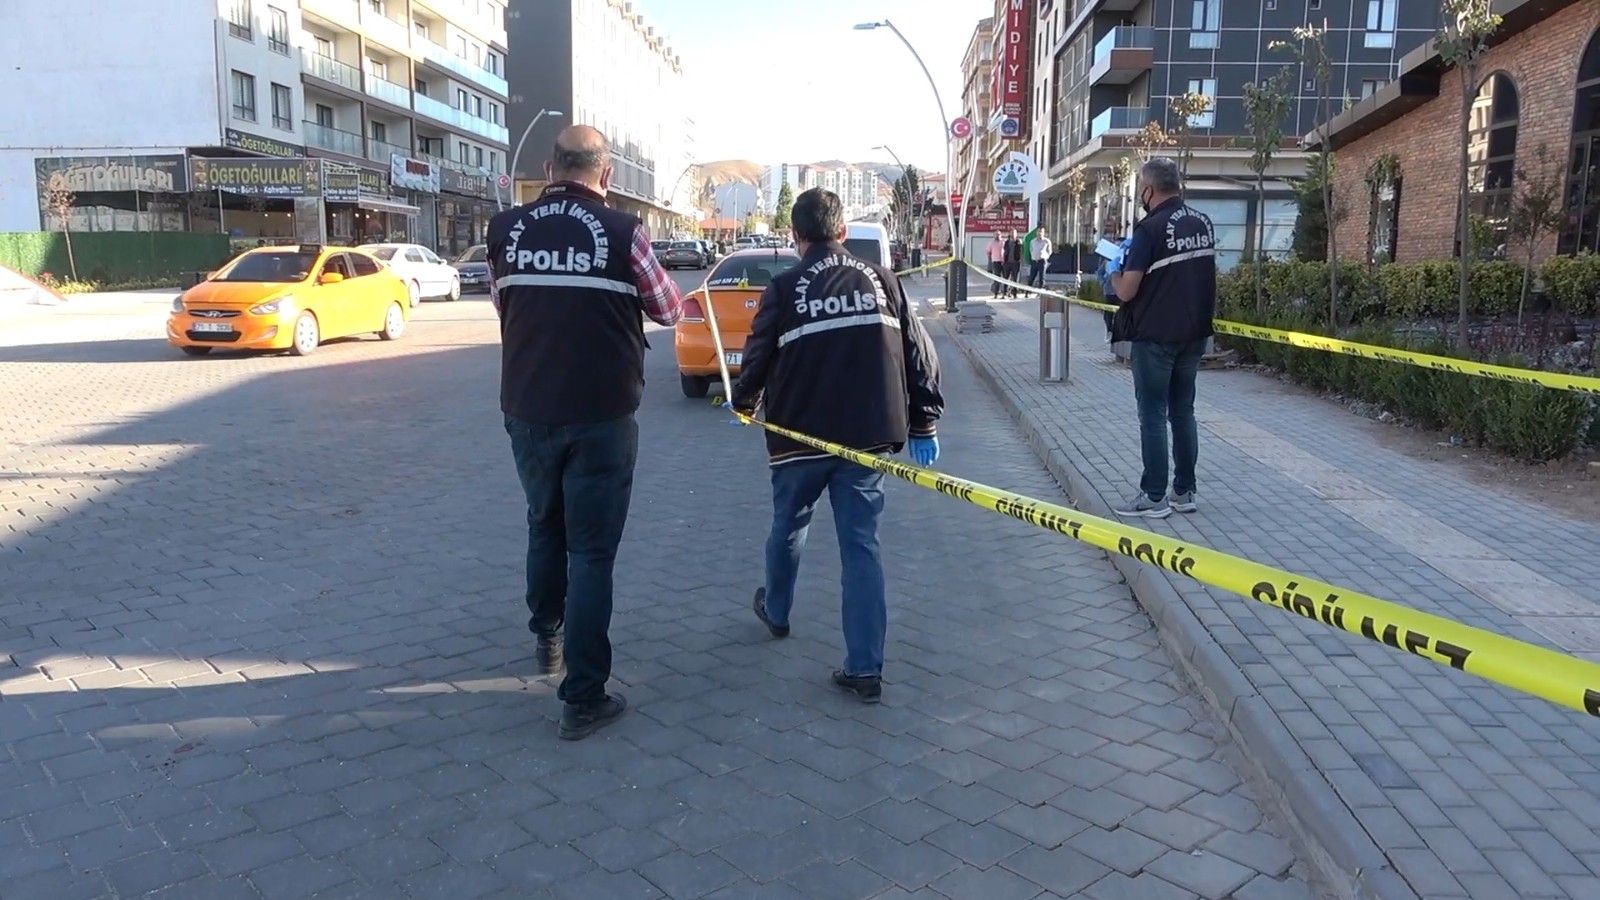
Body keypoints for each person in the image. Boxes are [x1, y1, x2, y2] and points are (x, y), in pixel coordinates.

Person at [488, 124, 684, 740]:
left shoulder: (505, 230)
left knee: (543, 523)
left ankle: (547, 637)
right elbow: (670, 309)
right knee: (592, 553)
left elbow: (505, 305)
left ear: (550, 169)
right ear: (607, 175)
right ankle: (584, 695)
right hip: (602, 413)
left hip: (528, 408)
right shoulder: (624, 232)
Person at [732, 188, 944, 704]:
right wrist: (924, 423)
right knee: (861, 545)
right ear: (843, 231)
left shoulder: (784, 289)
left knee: (789, 525)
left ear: (796, 236)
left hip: (799, 437)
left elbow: (757, 355)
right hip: (867, 438)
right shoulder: (884, 281)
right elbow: (918, 354)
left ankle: (777, 612)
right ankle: (865, 669)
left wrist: (744, 401)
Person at [1108, 157, 1216, 520]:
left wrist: (1112, 274)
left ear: (1148, 190)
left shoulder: (1149, 228)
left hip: (1156, 335)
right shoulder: (1202, 221)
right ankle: (1184, 491)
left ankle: (1154, 496)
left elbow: (1127, 290)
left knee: (1152, 414)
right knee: (1183, 411)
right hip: (1194, 333)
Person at [1003, 230, 1023, 298]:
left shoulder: (1018, 242)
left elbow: (1021, 251)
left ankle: (1014, 293)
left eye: (1014, 233)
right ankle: (1005, 292)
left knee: (1015, 279)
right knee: (1006, 278)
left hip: (1015, 263)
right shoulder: (1007, 242)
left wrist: (1021, 261)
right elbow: (1004, 251)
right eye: (1011, 233)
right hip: (1007, 263)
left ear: (1016, 234)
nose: (1013, 234)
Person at [985, 233, 1005, 298]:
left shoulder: (1003, 242)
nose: (997, 236)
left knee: (1005, 278)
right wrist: (991, 259)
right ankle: (996, 293)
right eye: (996, 234)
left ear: (1001, 235)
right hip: (996, 262)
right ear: (994, 236)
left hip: (1003, 262)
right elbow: (988, 252)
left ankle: (1004, 293)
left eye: (999, 234)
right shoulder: (991, 243)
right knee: (996, 278)